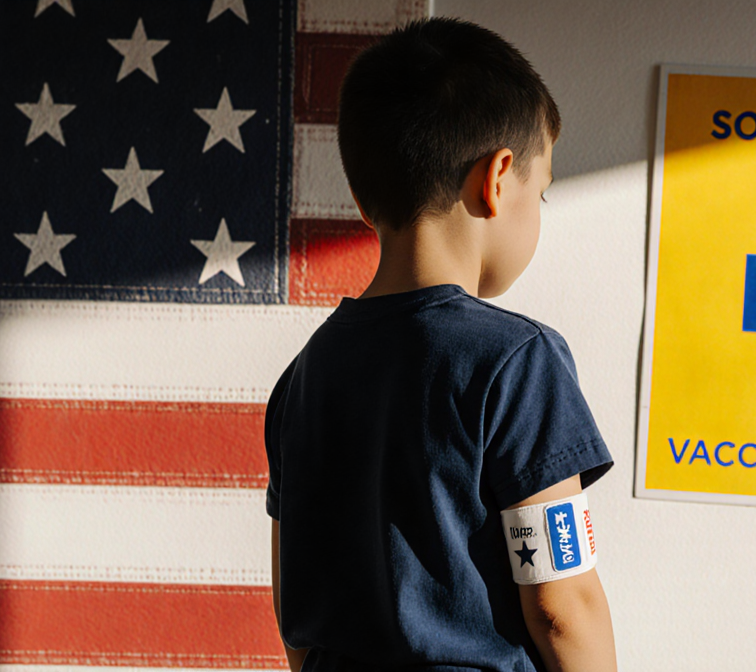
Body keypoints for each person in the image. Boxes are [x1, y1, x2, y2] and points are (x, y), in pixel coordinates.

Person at [263, 17, 617, 672]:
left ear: (366, 204)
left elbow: (296, 612)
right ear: (497, 178)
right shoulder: (518, 361)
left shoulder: (305, 375)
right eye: (539, 193)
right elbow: (562, 604)